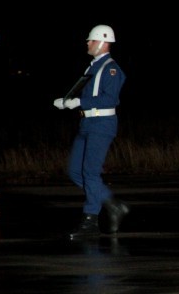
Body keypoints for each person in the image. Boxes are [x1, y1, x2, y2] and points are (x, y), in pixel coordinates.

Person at [53, 24, 129, 239]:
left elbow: (109, 98)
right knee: (76, 171)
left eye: (91, 40)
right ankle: (113, 204)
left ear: (103, 42)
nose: (88, 43)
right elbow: (85, 92)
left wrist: (78, 102)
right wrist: (68, 101)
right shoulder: (93, 67)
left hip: (101, 125)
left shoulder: (111, 69)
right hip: (87, 124)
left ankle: (90, 221)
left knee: (90, 173)